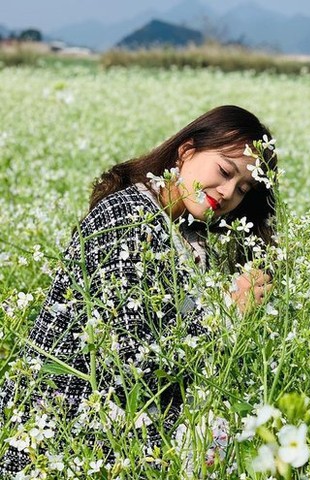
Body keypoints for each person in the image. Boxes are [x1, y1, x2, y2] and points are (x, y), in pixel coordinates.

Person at [0, 105, 277, 476]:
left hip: (114, 432)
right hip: (57, 438)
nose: (228, 193)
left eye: (243, 189)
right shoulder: (128, 215)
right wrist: (228, 314)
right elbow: (129, 363)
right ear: (186, 151)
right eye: (225, 171)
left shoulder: (190, 236)